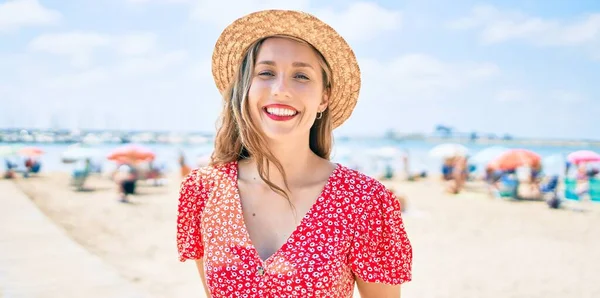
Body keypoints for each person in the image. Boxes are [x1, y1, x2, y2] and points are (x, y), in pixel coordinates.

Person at [176, 9, 412, 298]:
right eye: (266, 73)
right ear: (246, 87)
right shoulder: (203, 190)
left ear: (324, 97)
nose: (281, 89)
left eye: (301, 76)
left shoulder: (364, 201)